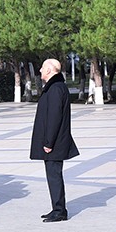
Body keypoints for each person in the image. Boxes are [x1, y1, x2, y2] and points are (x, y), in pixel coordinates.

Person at [31, 58, 78, 222]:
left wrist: (48, 142)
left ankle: (59, 211)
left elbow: (54, 117)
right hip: (54, 142)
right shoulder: (54, 87)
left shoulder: (56, 88)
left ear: (50, 70)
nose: (40, 71)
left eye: (42, 68)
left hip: (54, 143)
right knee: (53, 175)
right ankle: (57, 208)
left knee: (54, 176)